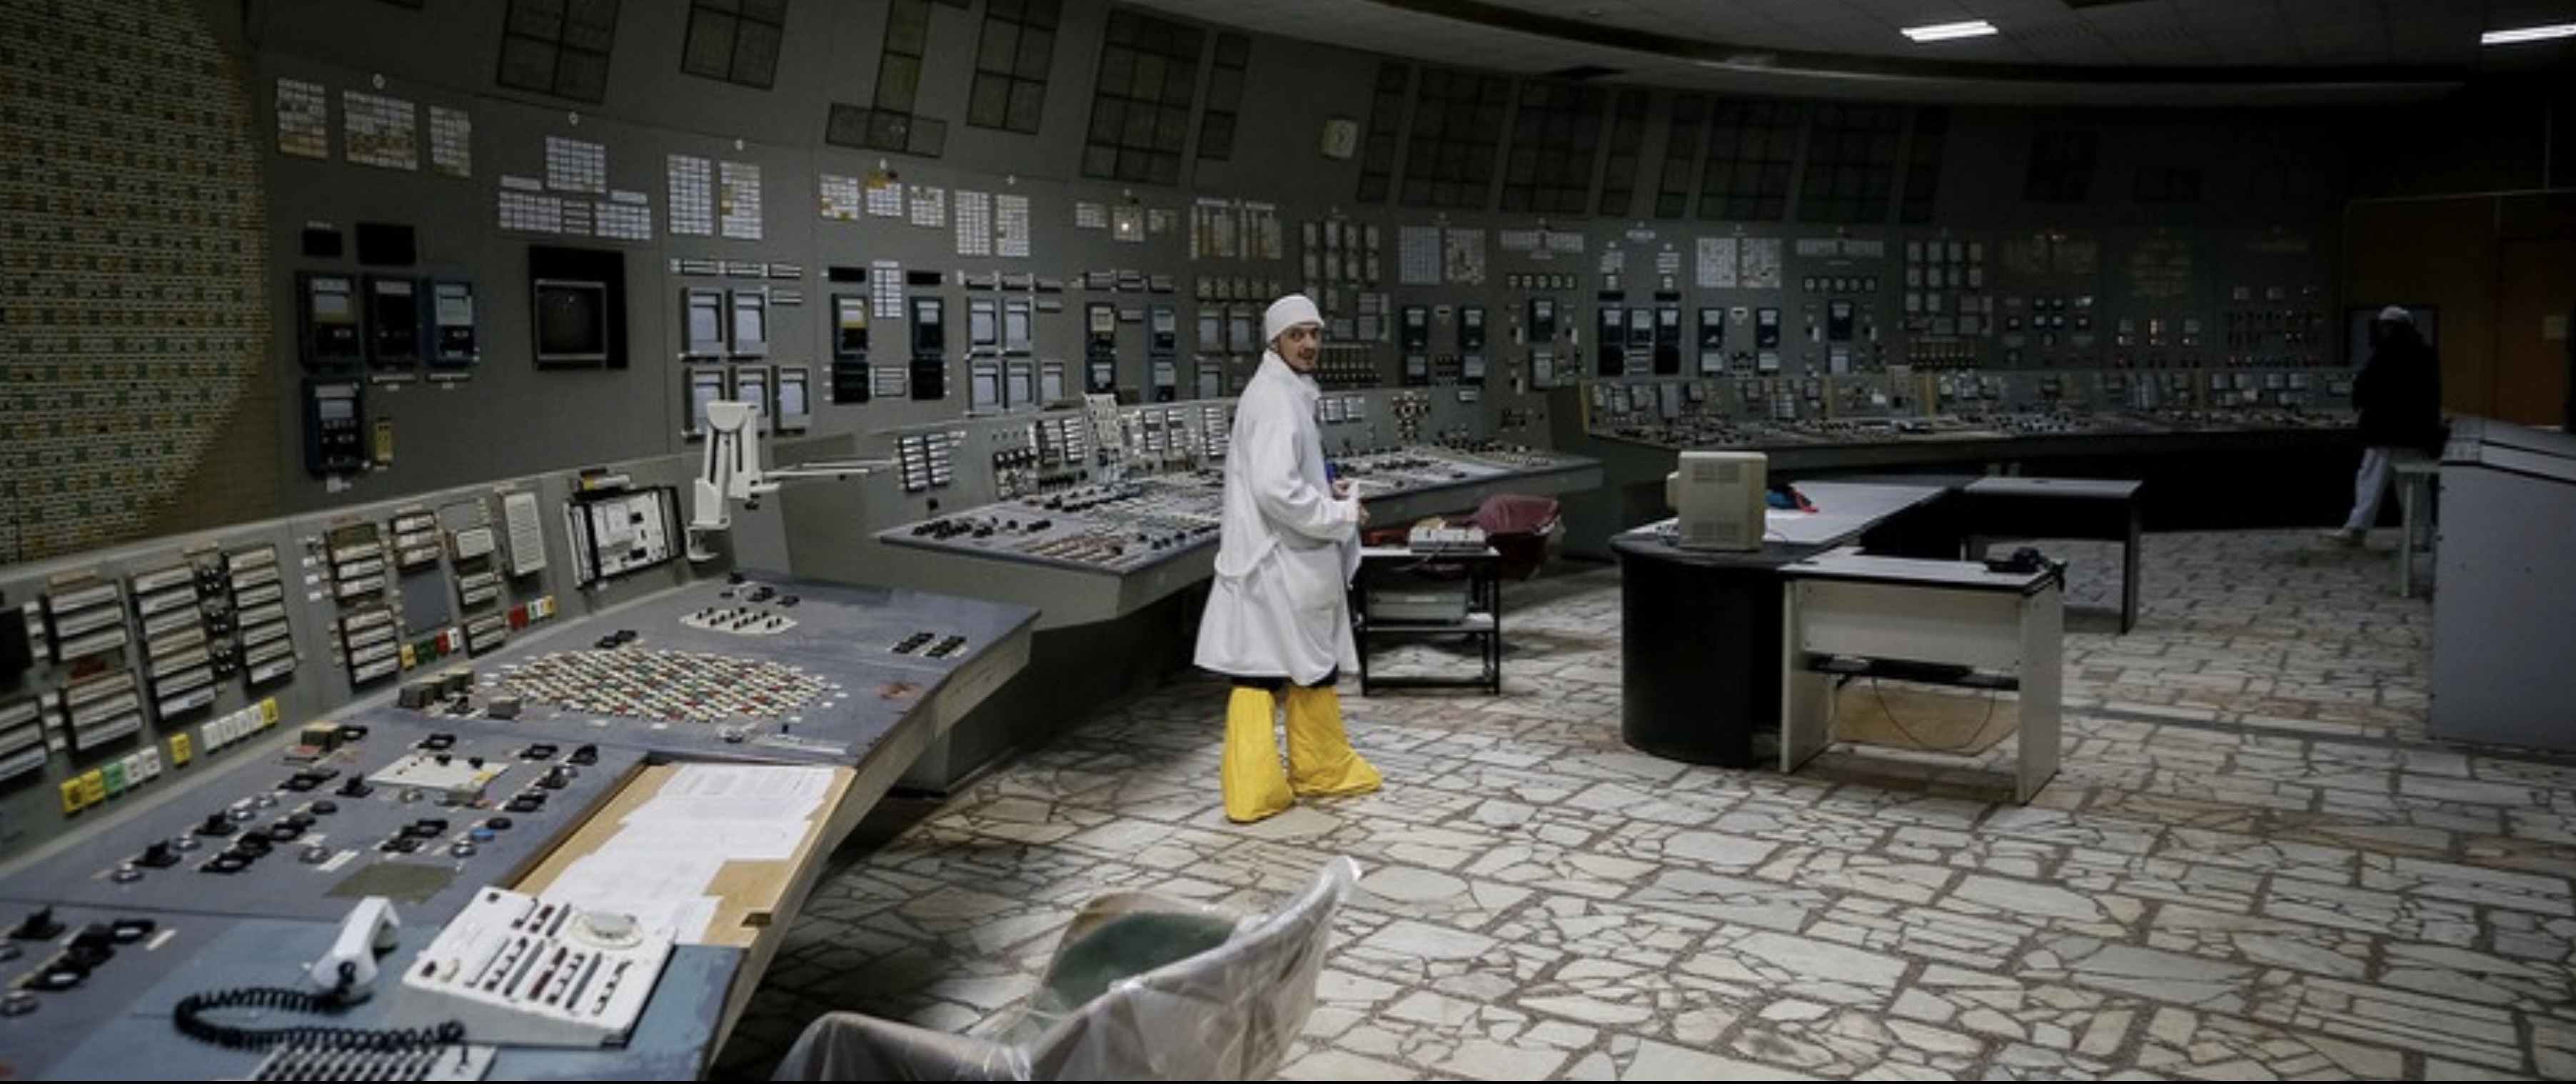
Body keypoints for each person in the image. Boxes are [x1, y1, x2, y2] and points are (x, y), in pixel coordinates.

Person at [1192, 293, 1382, 823]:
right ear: (1275, 340)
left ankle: (1319, 768)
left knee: (1303, 669)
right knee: (1264, 673)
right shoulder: (1275, 399)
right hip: (1277, 563)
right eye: (1297, 335)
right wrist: (1338, 514)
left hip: (1283, 561)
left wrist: (1324, 485)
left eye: (1315, 334)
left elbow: (1285, 476)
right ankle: (1258, 789)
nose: (1309, 345)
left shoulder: (1285, 390)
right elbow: (1276, 490)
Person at [2325, 304, 2445, 546]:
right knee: (2414, 486)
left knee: (2370, 481)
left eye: (2386, 326)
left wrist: (2359, 408)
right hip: (2412, 432)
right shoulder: (2425, 353)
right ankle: (2420, 535)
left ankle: (2357, 528)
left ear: (2391, 327)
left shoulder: (2384, 354)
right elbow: (2432, 395)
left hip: (2381, 430)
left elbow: (2365, 387)